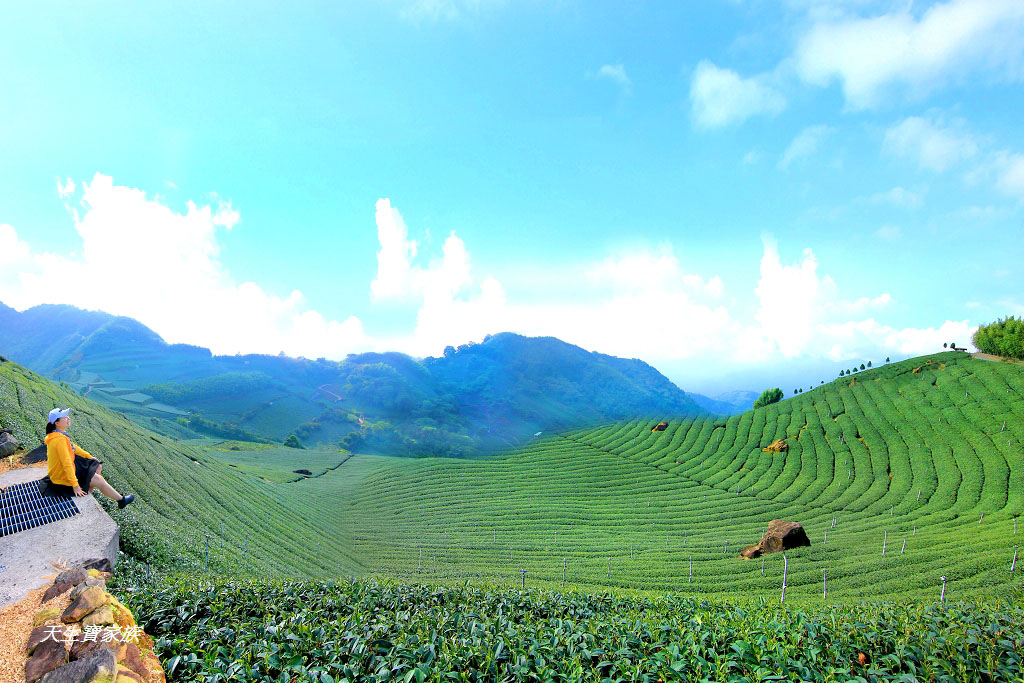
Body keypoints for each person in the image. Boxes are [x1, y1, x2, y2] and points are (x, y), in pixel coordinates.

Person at [42, 407, 135, 508]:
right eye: (64, 417)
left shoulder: (59, 435)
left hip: (63, 470)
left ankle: (88, 487)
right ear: (57, 423)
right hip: (61, 476)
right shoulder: (59, 440)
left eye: (67, 416)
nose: (68, 418)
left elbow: (74, 448)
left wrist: (89, 457)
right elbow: (66, 463)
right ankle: (121, 500)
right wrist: (75, 485)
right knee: (99, 479)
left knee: (97, 465)